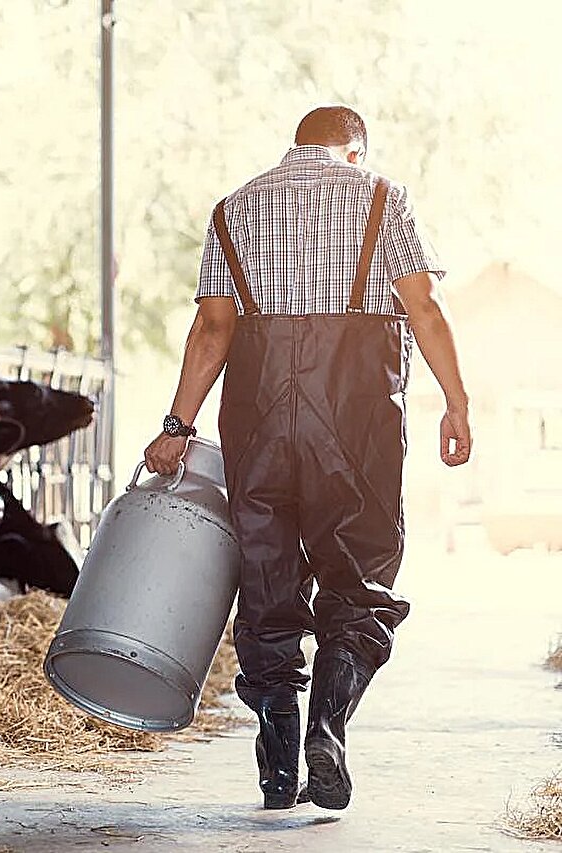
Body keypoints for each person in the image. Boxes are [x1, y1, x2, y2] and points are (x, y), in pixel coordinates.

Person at [141, 105, 471, 811]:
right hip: (356, 422)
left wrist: (177, 424)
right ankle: (327, 724)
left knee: (267, 581)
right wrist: (457, 402)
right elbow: (426, 309)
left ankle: (277, 758)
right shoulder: (383, 195)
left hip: (258, 420)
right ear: (355, 151)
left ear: (298, 146)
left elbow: (212, 328)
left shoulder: (235, 209)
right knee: (359, 577)